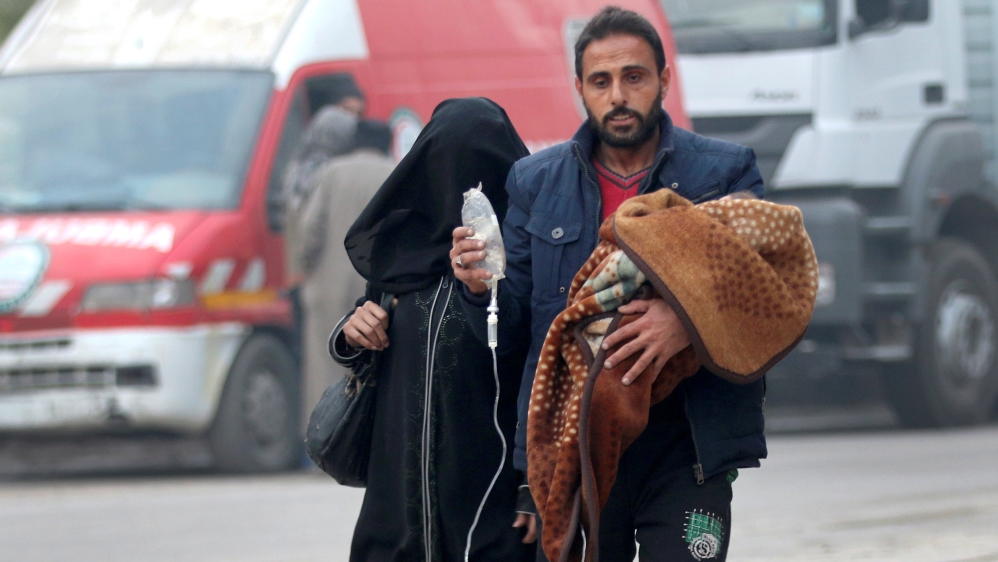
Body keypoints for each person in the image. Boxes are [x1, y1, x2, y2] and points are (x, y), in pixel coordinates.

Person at [451, 7, 765, 561]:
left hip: (688, 447)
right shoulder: (534, 183)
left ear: (664, 81)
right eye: (601, 81)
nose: (618, 94)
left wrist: (683, 324)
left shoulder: (722, 173)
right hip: (580, 450)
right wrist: (480, 290)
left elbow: (764, 293)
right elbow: (520, 325)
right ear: (579, 89)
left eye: (634, 77)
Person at [329, 98, 535, 562]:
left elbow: (543, 370)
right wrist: (353, 333)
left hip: (491, 503)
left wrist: (533, 486)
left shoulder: (526, 258)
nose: (464, 185)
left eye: (483, 166)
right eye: (447, 165)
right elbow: (372, 340)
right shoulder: (399, 253)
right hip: (397, 503)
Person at [298, 120, 396, 422]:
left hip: (329, 284)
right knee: (377, 363)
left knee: (324, 364)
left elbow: (309, 230)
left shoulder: (333, 172)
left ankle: (324, 437)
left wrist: (304, 266)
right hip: (378, 288)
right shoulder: (394, 171)